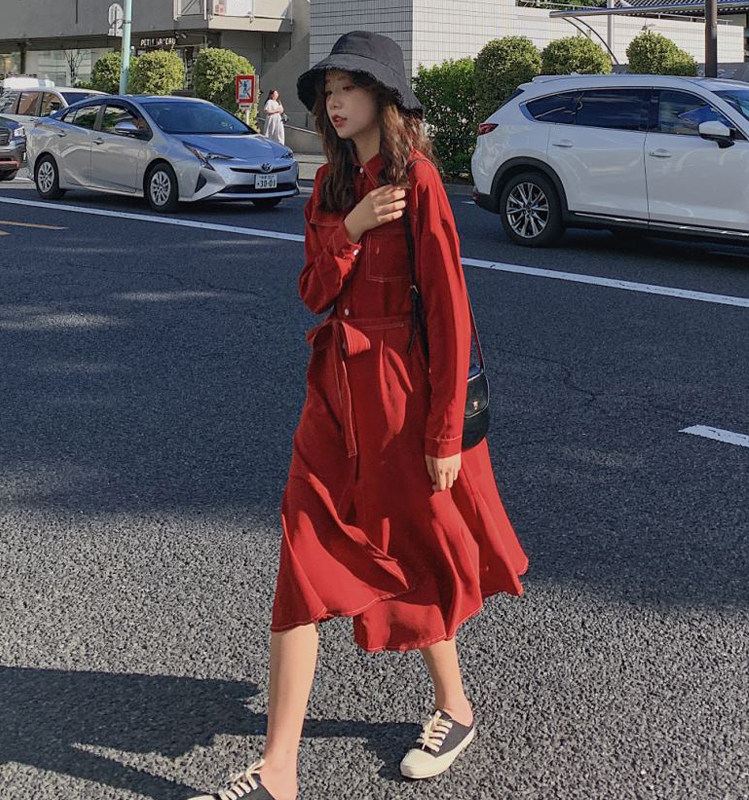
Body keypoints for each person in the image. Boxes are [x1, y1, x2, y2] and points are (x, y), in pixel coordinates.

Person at [188, 31, 528, 800]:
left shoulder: (425, 183)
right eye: (327, 89)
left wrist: (445, 434)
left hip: (403, 403)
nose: (333, 101)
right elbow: (311, 290)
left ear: (386, 96)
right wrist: (351, 229)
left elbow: (450, 314)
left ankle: (454, 705)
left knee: (416, 548)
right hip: (334, 400)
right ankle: (279, 769)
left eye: (349, 86)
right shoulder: (332, 189)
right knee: (301, 559)